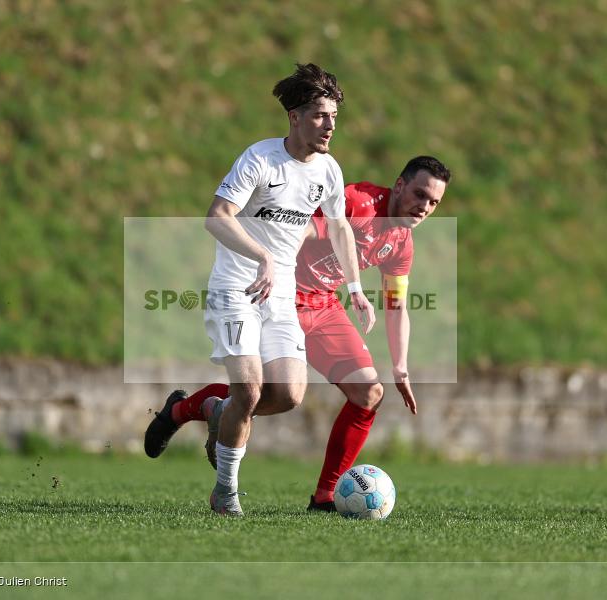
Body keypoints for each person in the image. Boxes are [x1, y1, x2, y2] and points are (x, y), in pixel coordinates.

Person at [147, 155, 451, 512]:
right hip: (280, 297)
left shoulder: (401, 242)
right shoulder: (358, 202)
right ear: (399, 185)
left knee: (369, 392)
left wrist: (400, 366)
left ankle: (326, 495)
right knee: (266, 394)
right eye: (420, 195)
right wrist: (268, 263)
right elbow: (305, 229)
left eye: (434, 203)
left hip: (322, 308)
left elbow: (396, 304)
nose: (424, 207)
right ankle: (183, 410)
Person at [144, 63, 374, 517]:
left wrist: (357, 287)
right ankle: (225, 493)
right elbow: (217, 216)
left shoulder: (328, 170)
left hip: (282, 295)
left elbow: (341, 228)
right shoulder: (261, 159)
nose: (329, 125)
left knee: (287, 395)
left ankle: (213, 411)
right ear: (294, 116)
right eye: (319, 115)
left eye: (333, 117)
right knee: (248, 391)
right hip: (236, 287)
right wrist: (264, 257)